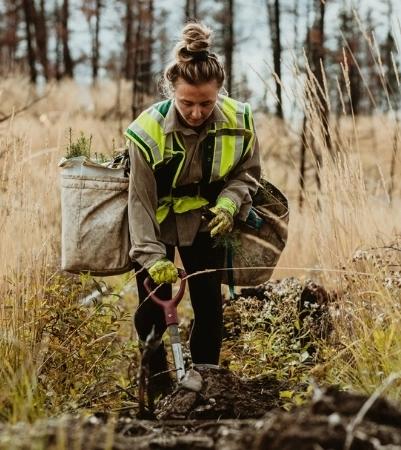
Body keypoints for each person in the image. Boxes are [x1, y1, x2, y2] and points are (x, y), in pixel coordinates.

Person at [124, 21, 261, 397]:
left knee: (209, 307)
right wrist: (152, 258)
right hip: (156, 225)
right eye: (187, 103)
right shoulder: (146, 132)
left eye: (206, 102)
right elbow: (139, 202)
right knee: (151, 312)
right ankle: (155, 390)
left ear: (219, 91)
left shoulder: (240, 121)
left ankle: (206, 388)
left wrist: (230, 204)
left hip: (207, 222)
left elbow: (248, 174)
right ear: (171, 91)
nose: (197, 112)